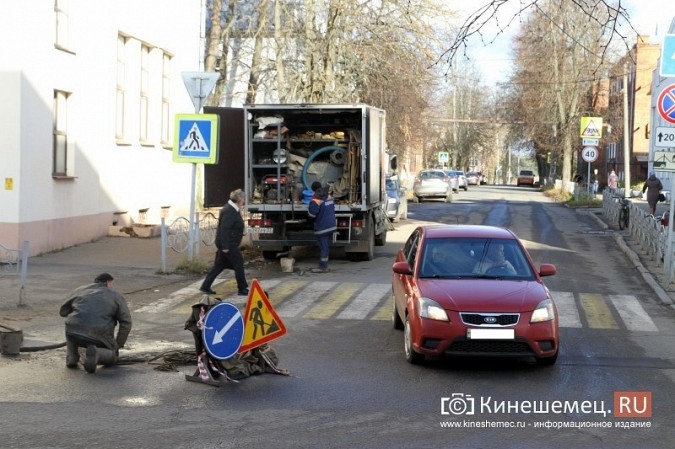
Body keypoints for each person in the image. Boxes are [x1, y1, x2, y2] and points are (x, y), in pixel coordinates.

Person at [59, 273, 132, 373]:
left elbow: (63, 312)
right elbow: (126, 322)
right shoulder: (116, 295)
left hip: (74, 332)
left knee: (71, 323)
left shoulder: (80, 290)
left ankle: (72, 357)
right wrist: (117, 345)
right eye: (112, 283)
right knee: (113, 356)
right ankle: (98, 354)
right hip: (99, 334)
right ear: (107, 282)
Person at [200, 188, 249, 296]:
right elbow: (224, 229)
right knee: (239, 263)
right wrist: (226, 246)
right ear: (239, 199)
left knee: (220, 265)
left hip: (228, 243)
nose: (244, 201)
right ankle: (242, 288)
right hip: (228, 244)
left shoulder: (232, 208)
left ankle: (205, 286)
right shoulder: (230, 210)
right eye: (243, 199)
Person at [308, 181, 336, 273]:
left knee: (323, 247)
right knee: (326, 246)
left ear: (313, 190)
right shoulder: (329, 196)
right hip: (331, 225)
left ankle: (323, 267)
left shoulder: (315, 200)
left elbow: (312, 215)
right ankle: (324, 265)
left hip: (322, 228)